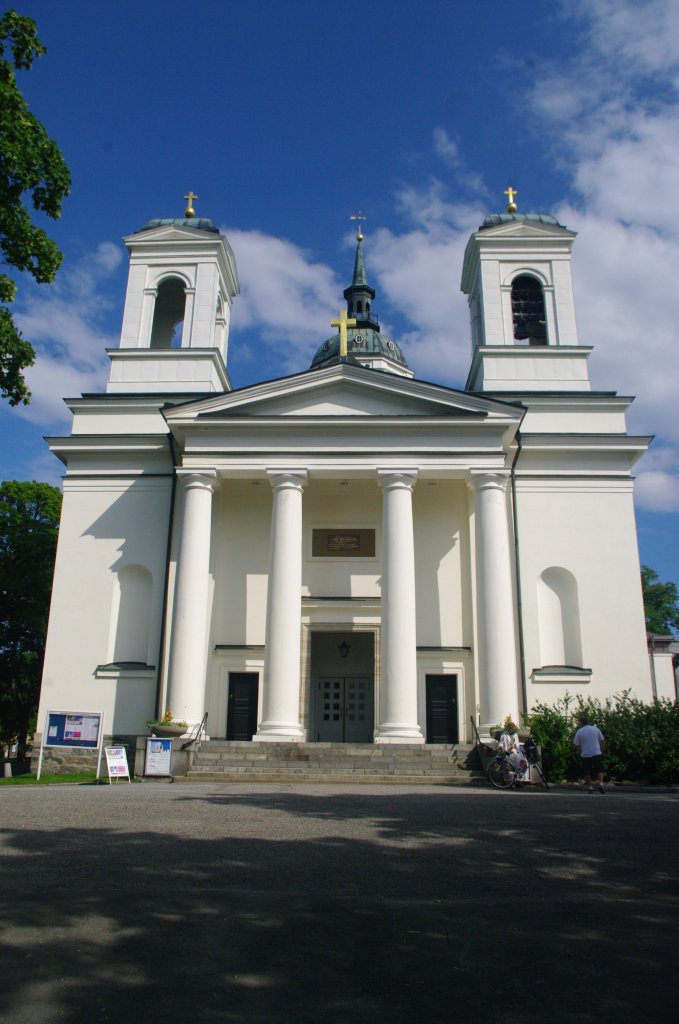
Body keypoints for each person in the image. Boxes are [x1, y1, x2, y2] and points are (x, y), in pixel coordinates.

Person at [573, 712, 605, 793]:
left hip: (586, 754)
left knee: (587, 772)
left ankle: (590, 787)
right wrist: (602, 750)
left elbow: (577, 745)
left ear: (581, 723)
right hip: (596, 752)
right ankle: (601, 783)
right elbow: (602, 740)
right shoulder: (595, 729)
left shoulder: (579, 732)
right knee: (599, 769)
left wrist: (579, 753)